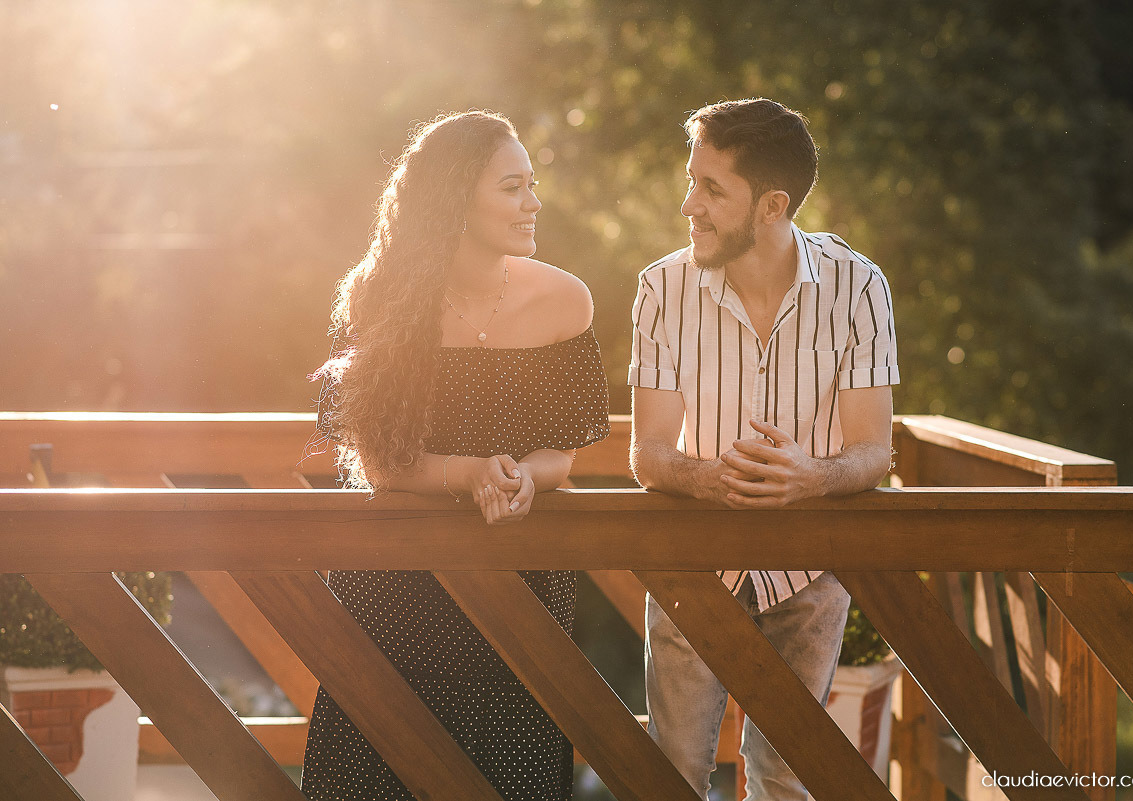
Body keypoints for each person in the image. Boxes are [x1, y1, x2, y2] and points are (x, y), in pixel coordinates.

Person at [306, 110, 610, 801]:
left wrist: (522, 478)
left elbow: (560, 453)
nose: (533, 202)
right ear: (455, 197)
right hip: (394, 596)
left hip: (520, 602)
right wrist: (467, 473)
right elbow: (379, 464)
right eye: (512, 187)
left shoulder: (566, 301)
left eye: (533, 185)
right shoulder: (381, 296)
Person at [628, 98, 899, 800]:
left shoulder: (860, 286)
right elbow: (648, 453)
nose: (690, 204)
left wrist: (815, 477)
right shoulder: (660, 288)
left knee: (787, 782)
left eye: (712, 188)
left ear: (773, 204)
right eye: (692, 180)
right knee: (673, 775)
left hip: (810, 571)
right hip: (692, 566)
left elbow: (875, 450)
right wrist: (703, 478)